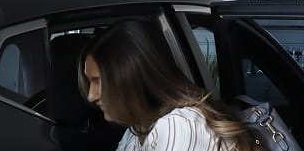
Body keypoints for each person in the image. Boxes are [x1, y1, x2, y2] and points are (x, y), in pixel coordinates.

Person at [83, 20, 255, 151]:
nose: (91, 95)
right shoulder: (136, 132)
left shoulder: (180, 126)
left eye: (98, 81)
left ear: (131, 79)